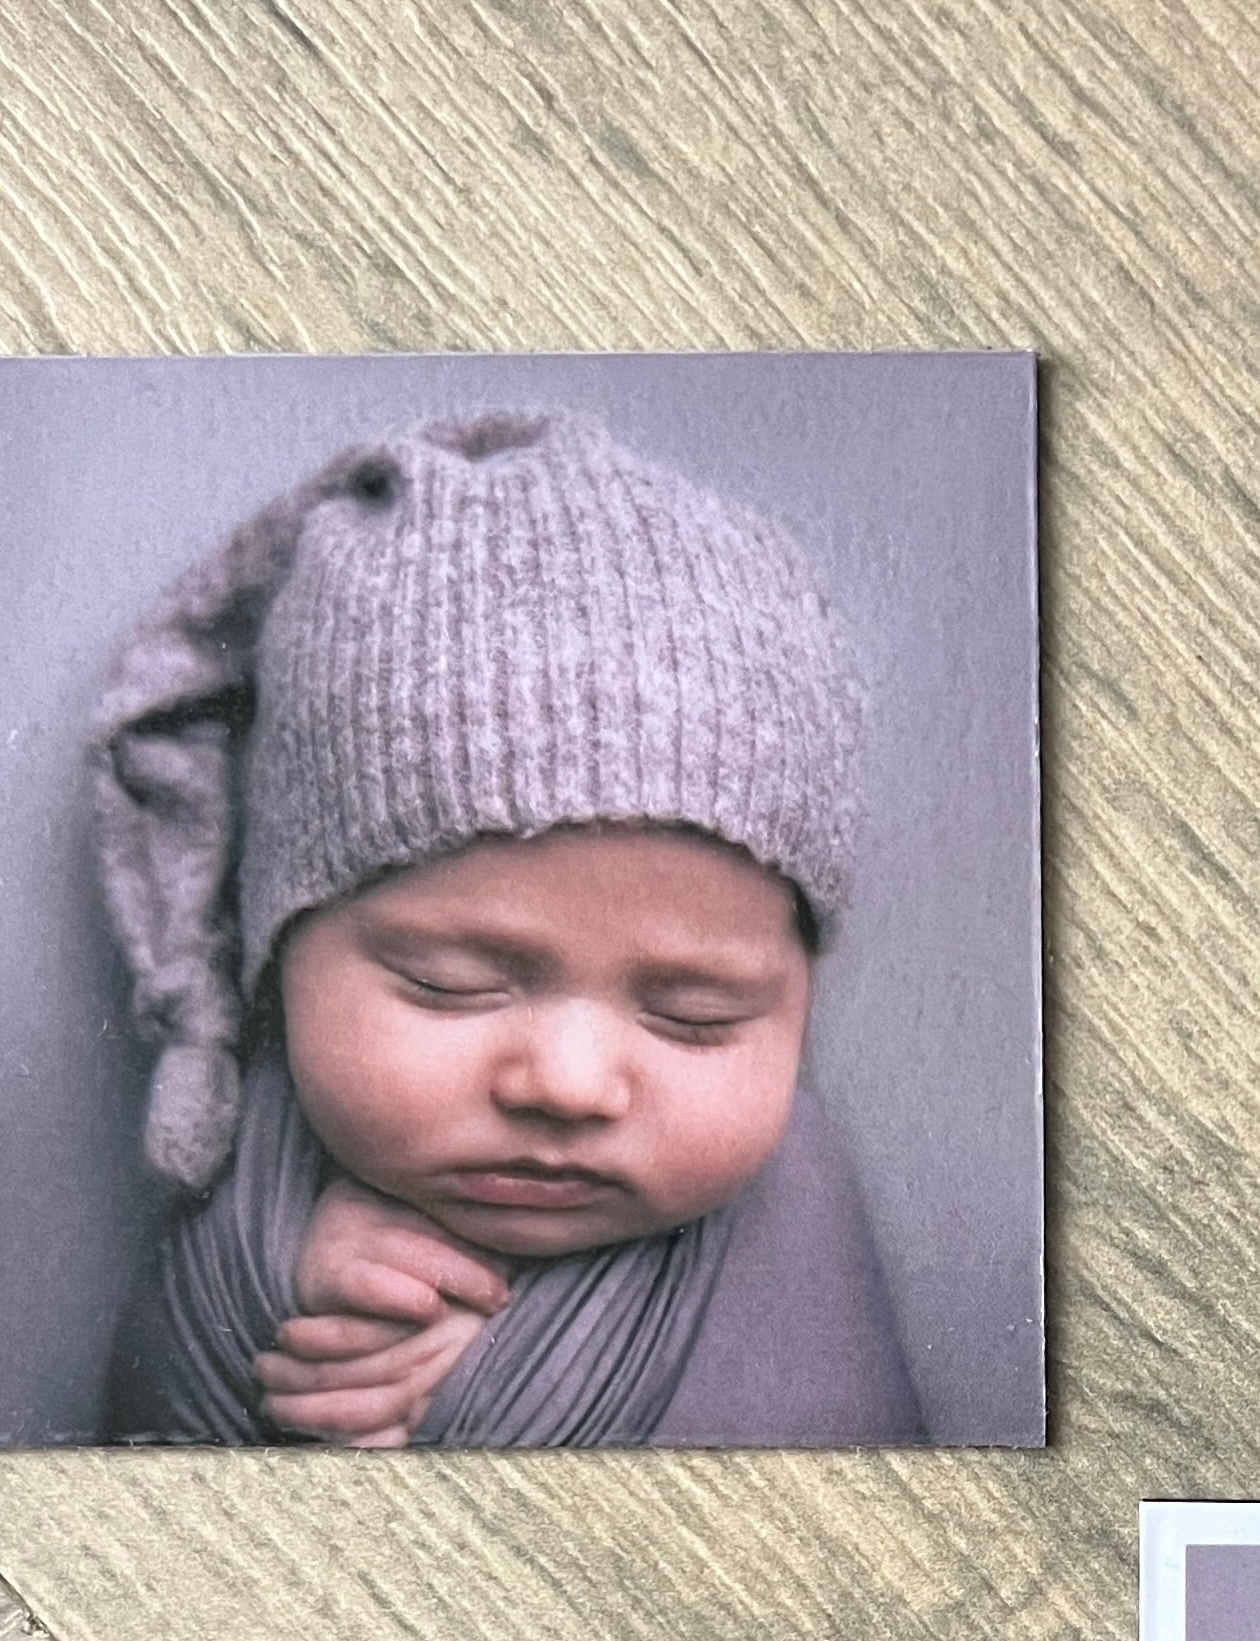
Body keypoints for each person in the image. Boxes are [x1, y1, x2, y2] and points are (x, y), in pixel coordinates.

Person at [92, 409, 921, 1447]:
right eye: (449, 984)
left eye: (694, 1015)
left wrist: (502, 1388)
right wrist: (285, 1282)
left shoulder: (799, 1225)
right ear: (279, 953)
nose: (568, 1085)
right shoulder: (250, 1207)